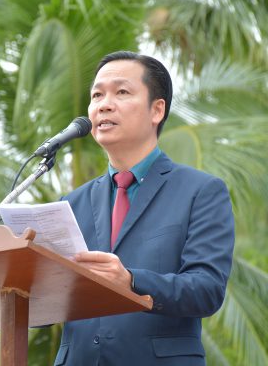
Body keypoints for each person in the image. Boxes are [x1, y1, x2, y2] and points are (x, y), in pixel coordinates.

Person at [53, 51, 235, 365]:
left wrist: (132, 282)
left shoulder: (201, 191)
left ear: (156, 110)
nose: (104, 104)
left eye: (121, 92)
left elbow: (207, 289)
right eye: (97, 95)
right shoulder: (70, 204)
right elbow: (50, 302)